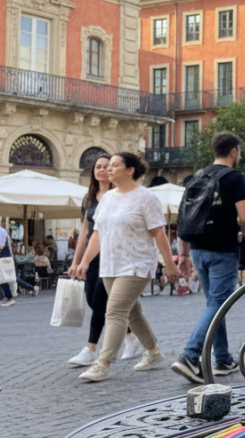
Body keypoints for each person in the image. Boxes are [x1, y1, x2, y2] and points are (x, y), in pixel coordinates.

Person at [75, 152, 179, 382]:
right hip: (110, 264)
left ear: (130, 169)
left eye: (114, 165)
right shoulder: (108, 198)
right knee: (132, 312)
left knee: (115, 311)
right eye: (107, 166)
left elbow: (159, 233)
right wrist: (83, 261)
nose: (108, 169)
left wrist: (169, 264)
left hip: (136, 263)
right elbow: (97, 234)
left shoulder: (146, 198)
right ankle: (153, 352)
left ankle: (102, 363)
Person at [171, 132, 245, 384]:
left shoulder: (197, 176)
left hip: (196, 248)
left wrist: (183, 253)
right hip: (222, 249)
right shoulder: (235, 178)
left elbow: (183, 218)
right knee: (218, 303)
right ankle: (190, 356)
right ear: (233, 152)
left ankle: (223, 359)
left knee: (215, 304)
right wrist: (244, 234)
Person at [67, 155, 141, 365]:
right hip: (92, 255)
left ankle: (91, 349)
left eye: (106, 166)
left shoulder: (119, 195)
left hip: (114, 254)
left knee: (100, 300)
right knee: (92, 298)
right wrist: (77, 261)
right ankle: (130, 336)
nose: (102, 170)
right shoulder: (89, 198)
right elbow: (84, 231)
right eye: (98, 167)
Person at [0, 215, 14, 307]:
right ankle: (5, 296)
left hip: (2, 257)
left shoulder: (1, 231)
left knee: (2, 277)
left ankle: (9, 297)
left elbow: (0, 245)